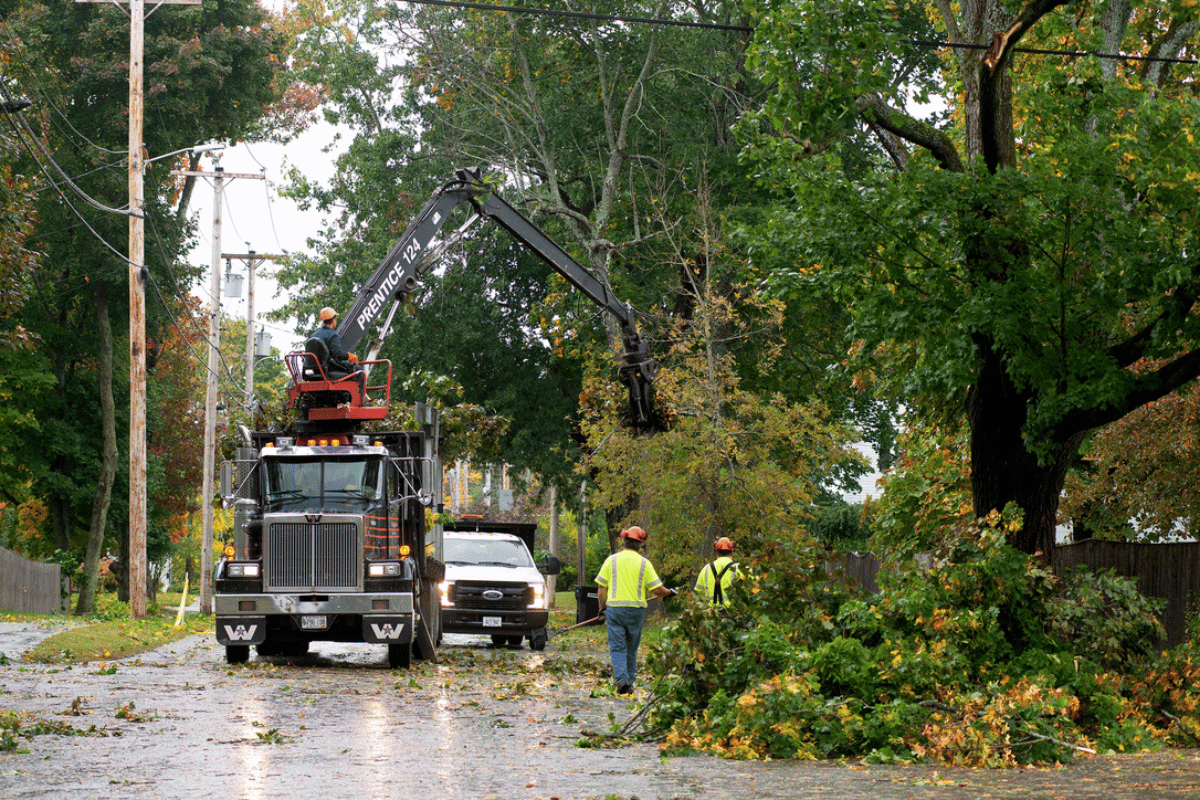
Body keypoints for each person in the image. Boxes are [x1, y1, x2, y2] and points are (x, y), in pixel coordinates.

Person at [594, 526, 674, 695]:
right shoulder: (645, 564)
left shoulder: (612, 560)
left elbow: (601, 588)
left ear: (623, 541)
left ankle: (622, 679)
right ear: (640, 544)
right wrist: (669, 593)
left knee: (617, 648)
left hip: (615, 610)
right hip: (636, 612)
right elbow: (657, 589)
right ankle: (629, 683)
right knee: (631, 648)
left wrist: (602, 608)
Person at [310, 307, 364, 389]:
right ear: (333, 320)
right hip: (329, 369)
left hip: (316, 369)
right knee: (360, 371)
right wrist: (349, 356)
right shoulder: (332, 335)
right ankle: (359, 399)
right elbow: (337, 353)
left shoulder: (314, 336)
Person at [694, 536, 739, 607]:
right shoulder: (739, 568)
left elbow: (698, 596)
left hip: (712, 614)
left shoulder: (706, 569)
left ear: (716, 552)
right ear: (732, 552)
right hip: (734, 615)